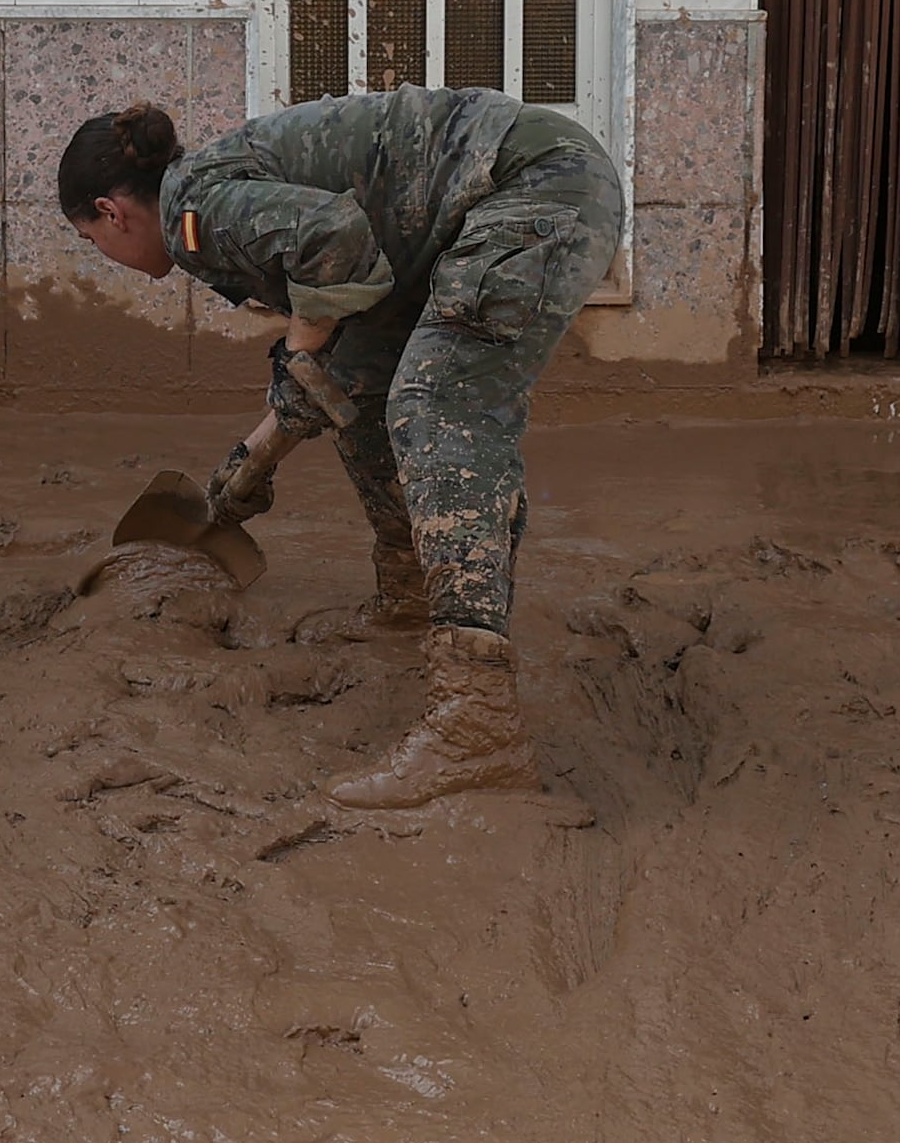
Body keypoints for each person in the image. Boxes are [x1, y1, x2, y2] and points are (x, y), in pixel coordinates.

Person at [56, 88, 624, 812]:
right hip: (484, 209)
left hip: (536, 184)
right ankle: (411, 599)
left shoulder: (195, 212)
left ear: (111, 210)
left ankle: (478, 723)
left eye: (90, 241)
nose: (103, 255)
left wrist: (297, 350)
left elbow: (334, 242)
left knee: (438, 400)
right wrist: (253, 461)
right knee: (369, 395)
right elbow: (341, 349)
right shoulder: (210, 200)